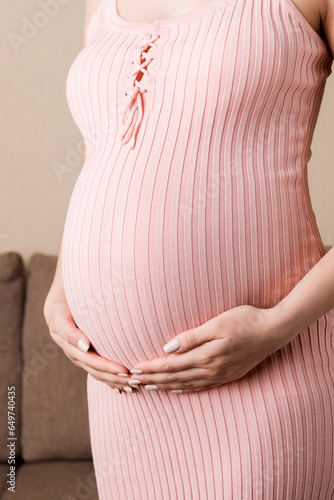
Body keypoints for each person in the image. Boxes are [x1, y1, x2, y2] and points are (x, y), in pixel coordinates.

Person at [44, 0, 334, 498]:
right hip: (125, 395)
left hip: (269, 368)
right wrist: (60, 294)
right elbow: (103, 150)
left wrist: (277, 324)